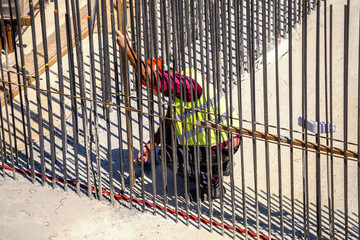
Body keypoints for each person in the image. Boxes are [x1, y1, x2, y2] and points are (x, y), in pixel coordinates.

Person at [116, 30, 241, 201]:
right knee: (168, 140)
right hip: (229, 138)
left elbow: (149, 76)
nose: (153, 93)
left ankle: (212, 184)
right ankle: (221, 165)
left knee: (167, 156)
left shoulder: (186, 87)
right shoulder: (180, 89)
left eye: (152, 87)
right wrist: (150, 145)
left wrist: (127, 50)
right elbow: (168, 122)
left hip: (221, 144)